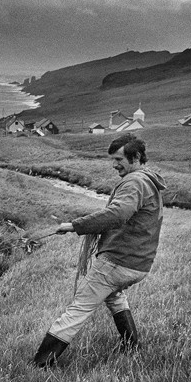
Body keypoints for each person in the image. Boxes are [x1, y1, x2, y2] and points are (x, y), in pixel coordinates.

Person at [32, 133, 167, 368]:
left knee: (78, 308)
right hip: (138, 264)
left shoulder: (134, 182)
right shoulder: (149, 180)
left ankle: (40, 364)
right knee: (114, 295)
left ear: (135, 157)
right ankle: (131, 345)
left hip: (118, 261)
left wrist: (75, 226)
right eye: (112, 159)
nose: (114, 165)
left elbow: (118, 214)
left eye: (118, 159)